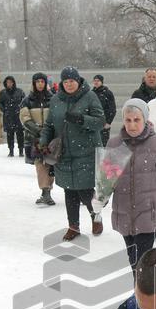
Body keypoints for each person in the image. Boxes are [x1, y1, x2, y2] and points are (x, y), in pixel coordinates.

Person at [107, 99, 156, 267]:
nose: (132, 125)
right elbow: (107, 180)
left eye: (137, 120)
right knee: (133, 260)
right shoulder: (115, 144)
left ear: (145, 119)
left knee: (142, 261)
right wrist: (98, 198)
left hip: (150, 215)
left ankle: (143, 291)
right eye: (128, 120)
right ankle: (142, 290)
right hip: (124, 212)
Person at [40, 66, 106, 241]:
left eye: (72, 81)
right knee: (69, 192)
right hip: (64, 153)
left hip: (86, 152)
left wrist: (82, 120)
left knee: (85, 191)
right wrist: (43, 142)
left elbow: (100, 121)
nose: (69, 84)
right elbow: (49, 125)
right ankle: (73, 227)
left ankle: (96, 217)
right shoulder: (55, 100)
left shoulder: (90, 97)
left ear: (78, 81)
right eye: (66, 81)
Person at [20, 72, 56, 206]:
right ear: (34, 83)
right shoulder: (27, 100)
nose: (40, 84)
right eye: (38, 81)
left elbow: (56, 116)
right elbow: (25, 118)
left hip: (51, 136)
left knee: (50, 163)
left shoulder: (53, 99)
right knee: (40, 164)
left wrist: (48, 131)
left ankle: (48, 191)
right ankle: (45, 191)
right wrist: (38, 131)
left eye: (42, 81)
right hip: (35, 137)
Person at [0, 75, 24, 157]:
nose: (9, 84)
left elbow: (24, 101)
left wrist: (21, 110)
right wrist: (4, 110)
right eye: (7, 82)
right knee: (10, 135)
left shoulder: (20, 92)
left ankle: (21, 151)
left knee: (20, 134)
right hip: (8, 117)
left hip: (18, 117)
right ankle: (11, 150)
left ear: (13, 83)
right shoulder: (3, 93)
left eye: (11, 82)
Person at [92, 75, 117, 145]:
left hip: (104, 123)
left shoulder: (108, 93)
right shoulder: (91, 93)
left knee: (103, 145)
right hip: (93, 123)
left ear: (102, 82)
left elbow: (112, 109)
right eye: (95, 80)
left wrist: (109, 122)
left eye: (98, 81)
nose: (96, 82)